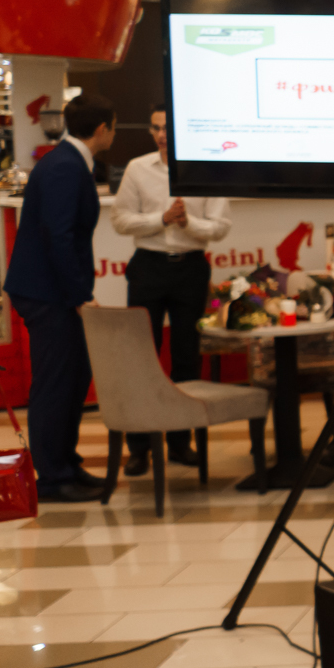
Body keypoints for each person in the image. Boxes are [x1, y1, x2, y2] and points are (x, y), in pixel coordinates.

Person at [6, 92, 119, 503]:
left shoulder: (69, 162)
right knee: (56, 383)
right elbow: (58, 236)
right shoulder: (65, 167)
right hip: (47, 293)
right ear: (103, 128)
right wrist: (79, 296)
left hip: (54, 291)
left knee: (74, 378)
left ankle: (66, 463)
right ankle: (53, 477)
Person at [110, 106, 231, 472]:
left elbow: (220, 227)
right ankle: (139, 447)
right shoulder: (137, 168)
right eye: (156, 128)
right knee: (142, 357)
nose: (162, 135)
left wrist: (187, 223)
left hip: (190, 269)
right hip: (148, 267)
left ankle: (180, 441)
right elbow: (120, 220)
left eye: (168, 128)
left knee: (186, 357)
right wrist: (161, 219)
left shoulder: (207, 166)